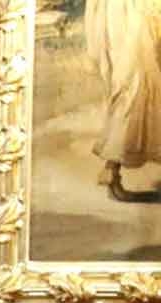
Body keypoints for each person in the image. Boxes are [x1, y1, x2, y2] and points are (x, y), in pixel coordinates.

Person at [86, 0, 161, 201]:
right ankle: (111, 168)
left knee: (137, 81)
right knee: (133, 83)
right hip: (126, 13)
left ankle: (112, 170)